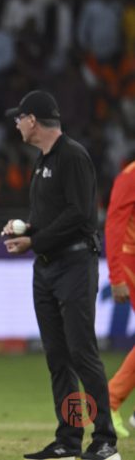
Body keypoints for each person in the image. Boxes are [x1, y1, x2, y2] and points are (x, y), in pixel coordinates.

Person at [2, 90, 119, 460]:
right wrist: (26, 230)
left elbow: (82, 216)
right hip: (49, 267)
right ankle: (69, 439)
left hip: (74, 264)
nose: (17, 124)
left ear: (32, 120)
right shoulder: (44, 160)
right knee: (58, 356)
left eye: (19, 118)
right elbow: (56, 216)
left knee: (82, 353)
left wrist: (33, 240)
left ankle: (104, 440)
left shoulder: (73, 156)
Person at [105, 158, 135, 439]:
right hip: (132, 259)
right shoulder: (130, 176)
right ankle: (110, 402)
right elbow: (114, 224)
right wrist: (116, 277)